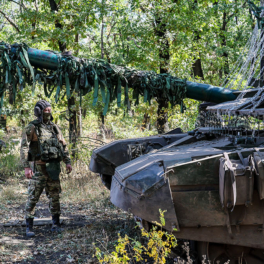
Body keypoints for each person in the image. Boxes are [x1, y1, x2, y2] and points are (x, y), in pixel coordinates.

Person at [20, 100, 72, 237]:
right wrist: (26, 166)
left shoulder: (54, 128)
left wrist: (67, 161)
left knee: (55, 196)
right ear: (39, 111)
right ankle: (29, 226)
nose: (48, 112)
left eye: (50, 110)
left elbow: (63, 145)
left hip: (53, 168)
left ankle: (56, 223)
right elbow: (24, 147)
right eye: (46, 110)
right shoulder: (32, 127)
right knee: (33, 197)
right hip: (39, 168)